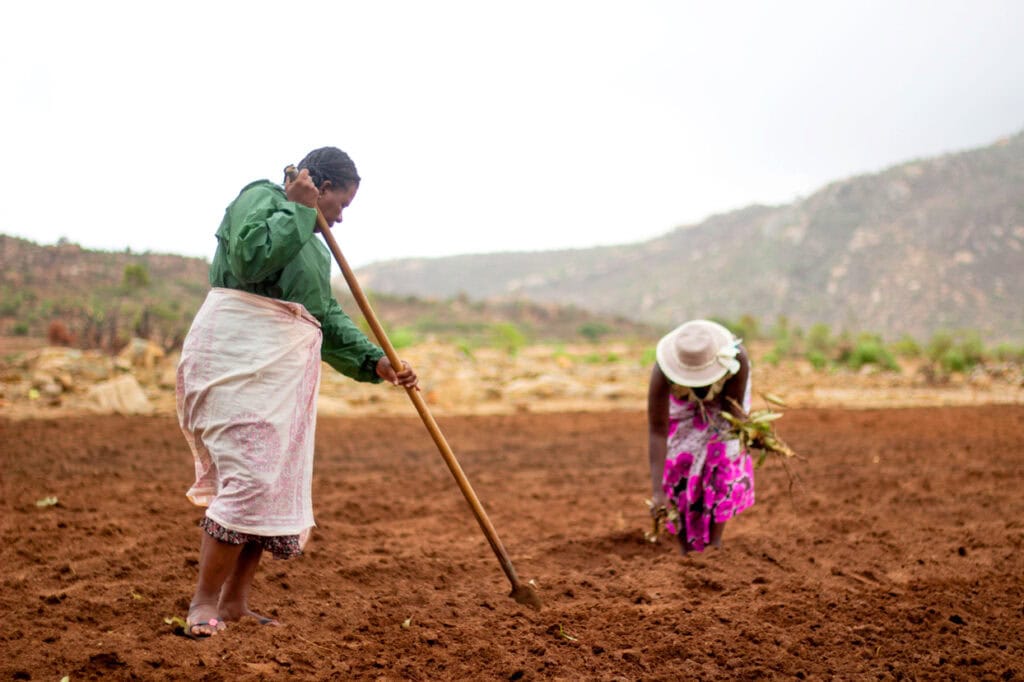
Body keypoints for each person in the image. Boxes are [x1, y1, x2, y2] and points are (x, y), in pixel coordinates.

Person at [176, 146, 419, 638]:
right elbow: (248, 260)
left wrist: (377, 361)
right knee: (248, 475)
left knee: (271, 481)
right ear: (320, 188)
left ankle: (236, 602)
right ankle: (203, 603)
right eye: (341, 204)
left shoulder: (315, 245)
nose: (341, 217)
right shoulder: (262, 198)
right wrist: (297, 207)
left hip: (282, 371)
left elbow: (322, 316)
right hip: (234, 354)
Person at [647, 319, 754, 554]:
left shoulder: (736, 360)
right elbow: (657, 429)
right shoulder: (663, 372)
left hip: (723, 408)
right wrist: (658, 492)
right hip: (682, 411)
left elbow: (731, 411)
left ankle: (714, 546)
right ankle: (686, 548)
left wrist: (749, 431)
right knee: (678, 464)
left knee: (722, 460)